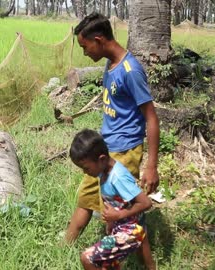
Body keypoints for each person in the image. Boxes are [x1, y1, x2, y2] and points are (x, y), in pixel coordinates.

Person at [64, 12, 160, 269]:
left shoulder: (131, 71)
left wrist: (151, 165)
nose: (84, 53)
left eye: (85, 47)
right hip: (104, 150)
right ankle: (64, 250)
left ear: (98, 39)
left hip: (125, 151)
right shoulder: (110, 64)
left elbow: (151, 117)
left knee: (130, 215)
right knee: (87, 197)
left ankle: (139, 264)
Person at [69, 129, 153, 270]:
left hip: (131, 230)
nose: (85, 172)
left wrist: (119, 215)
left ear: (101, 159)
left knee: (87, 258)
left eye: (86, 168)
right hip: (120, 227)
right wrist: (111, 221)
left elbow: (146, 203)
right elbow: (117, 201)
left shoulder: (118, 177)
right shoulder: (104, 172)